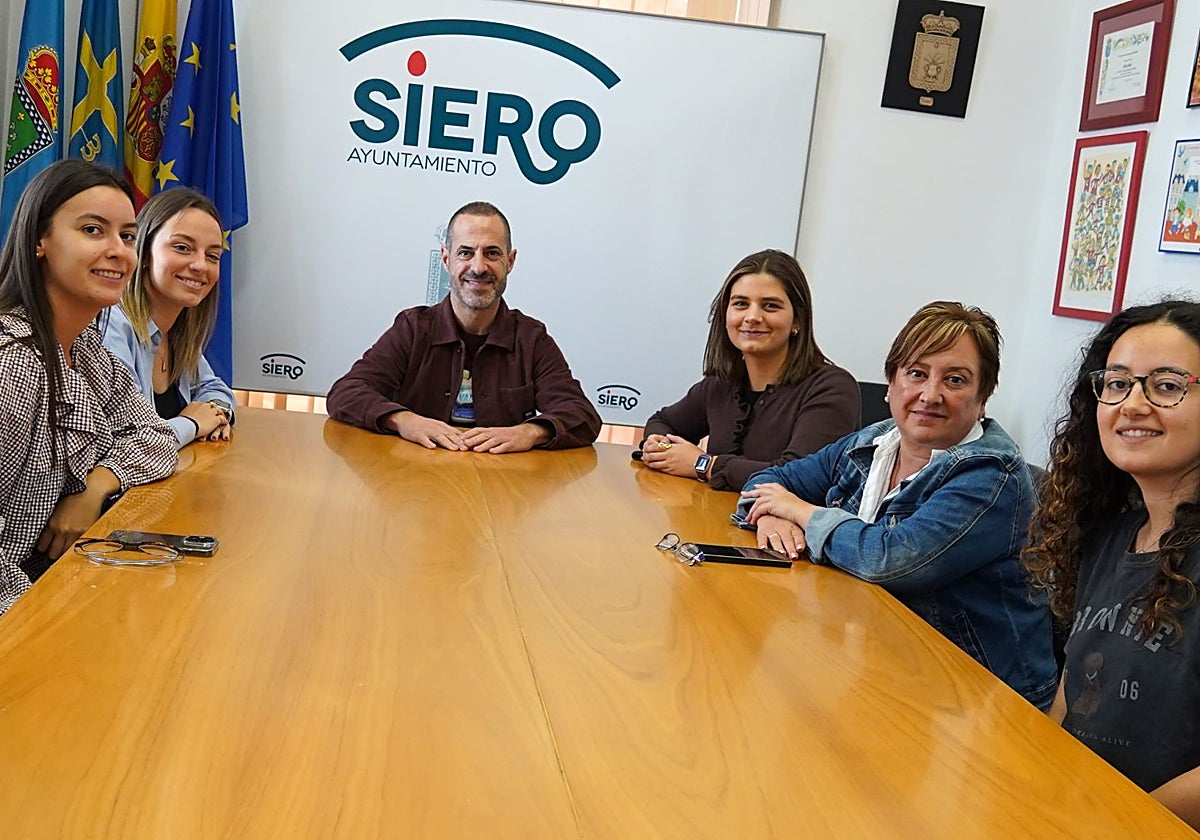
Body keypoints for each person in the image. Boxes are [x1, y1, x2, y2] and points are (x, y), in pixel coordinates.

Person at [734, 301, 1056, 709]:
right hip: (878, 662)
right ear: (891, 384)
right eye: (916, 374)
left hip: (979, 700)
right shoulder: (875, 441)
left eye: (954, 380)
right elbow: (766, 483)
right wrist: (773, 521)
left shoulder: (991, 475)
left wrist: (801, 512)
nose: (930, 394)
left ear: (983, 397)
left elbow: (892, 559)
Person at [1022, 300, 1200, 826]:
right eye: (1117, 383)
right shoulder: (1109, 537)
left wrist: (1117, 820)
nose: (1133, 404)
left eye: (1167, 385)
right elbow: (1071, 696)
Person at [0, 160, 178, 610]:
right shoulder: (12, 363)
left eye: (127, 235)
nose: (119, 250)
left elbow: (156, 438)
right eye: (93, 230)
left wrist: (96, 486)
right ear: (39, 240)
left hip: (54, 586)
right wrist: (41, 618)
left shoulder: (90, 354)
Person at [327, 201, 601, 452]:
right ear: (446, 259)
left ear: (510, 261)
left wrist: (530, 432)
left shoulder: (531, 339)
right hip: (414, 479)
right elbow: (346, 393)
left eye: (492, 253)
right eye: (466, 253)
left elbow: (582, 416)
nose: (478, 267)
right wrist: (404, 421)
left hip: (500, 484)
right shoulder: (413, 328)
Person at [638, 249, 859, 490]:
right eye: (741, 304)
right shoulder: (721, 383)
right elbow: (662, 421)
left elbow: (801, 478)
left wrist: (705, 465)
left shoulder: (832, 388)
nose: (752, 316)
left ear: (797, 320)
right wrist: (658, 444)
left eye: (770, 306)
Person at [103, 187, 234, 449]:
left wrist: (216, 413)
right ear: (144, 251)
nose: (200, 266)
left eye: (212, 256)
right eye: (183, 247)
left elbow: (216, 389)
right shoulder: (112, 325)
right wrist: (193, 424)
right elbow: (126, 439)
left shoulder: (177, 332)